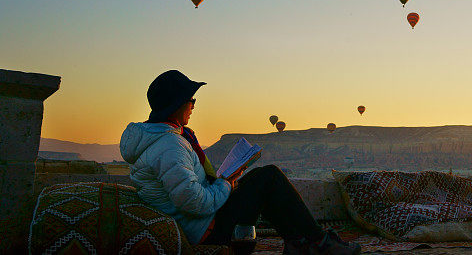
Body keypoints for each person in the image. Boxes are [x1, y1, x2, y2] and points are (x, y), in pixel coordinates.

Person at [120, 70, 361, 255]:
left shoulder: (161, 138)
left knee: (262, 183)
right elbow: (194, 202)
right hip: (204, 229)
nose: (194, 106)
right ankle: (317, 243)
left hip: (197, 221)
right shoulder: (169, 146)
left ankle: (300, 243)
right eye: (191, 100)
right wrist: (225, 185)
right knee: (268, 178)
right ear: (176, 105)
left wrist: (226, 182)